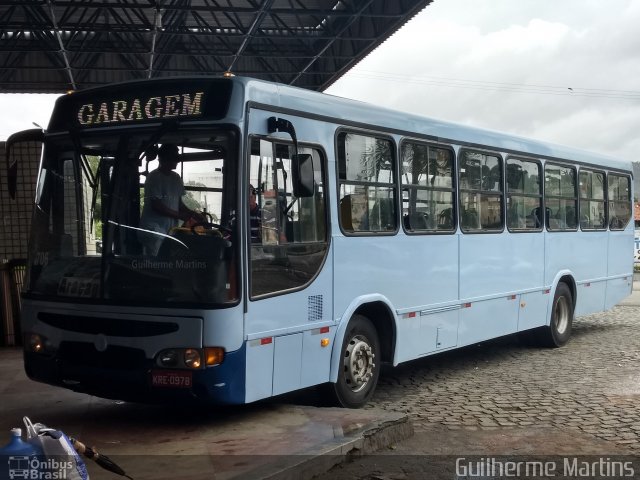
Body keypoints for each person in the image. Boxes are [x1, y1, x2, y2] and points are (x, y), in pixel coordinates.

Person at [139, 143, 203, 254]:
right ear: (165, 158)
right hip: (154, 230)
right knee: (156, 264)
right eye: (174, 157)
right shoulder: (154, 177)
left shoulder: (176, 178)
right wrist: (181, 215)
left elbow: (179, 204)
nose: (177, 161)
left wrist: (193, 214)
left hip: (169, 230)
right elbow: (157, 206)